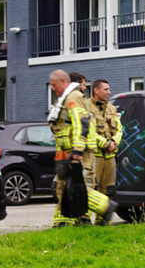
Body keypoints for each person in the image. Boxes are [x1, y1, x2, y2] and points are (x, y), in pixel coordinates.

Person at [47, 69, 116, 227]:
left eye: (54, 85)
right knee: (60, 186)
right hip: (65, 152)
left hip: (78, 152)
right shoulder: (64, 99)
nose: (52, 88)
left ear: (63, 82)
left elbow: (81, 124)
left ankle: (105, 207)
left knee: (73, 187)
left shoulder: (73, 97)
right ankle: (65, 222)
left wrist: (78, 150)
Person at [90, 79, 123, 205]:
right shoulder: (86, 107)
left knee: (109, 190)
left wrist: (114, 142)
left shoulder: (111, 108)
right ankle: (86, 216)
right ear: (96, 90)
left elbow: (119, 129)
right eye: (106, 89)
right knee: (93, 189)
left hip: (110, 156)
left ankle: (103, 216)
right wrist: (106, 144)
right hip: (95, 156)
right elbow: (89, 132)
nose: (109, 92)